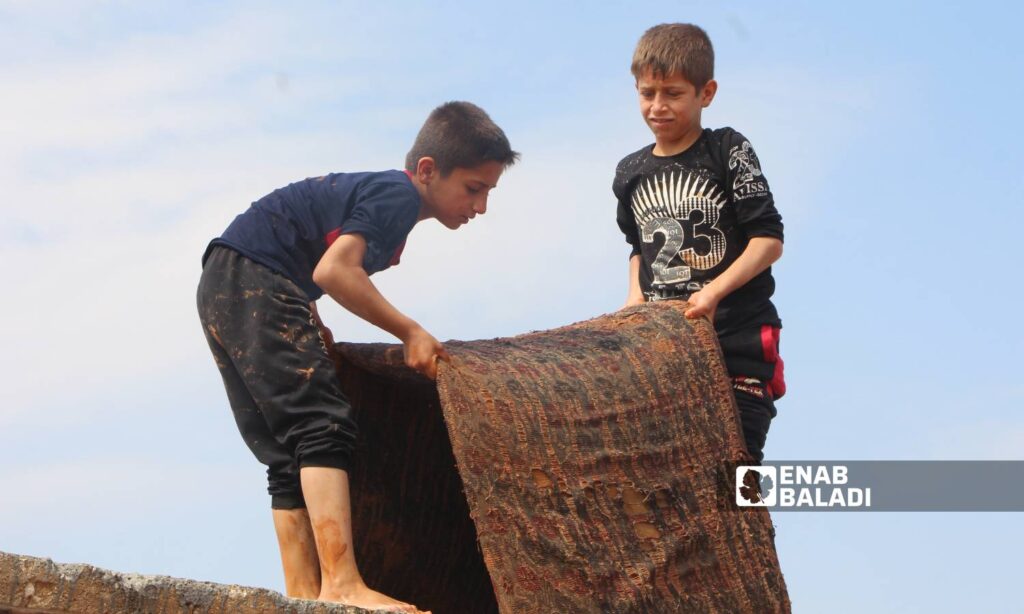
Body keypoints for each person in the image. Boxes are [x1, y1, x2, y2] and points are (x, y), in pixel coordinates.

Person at [197, 101, 518, 612]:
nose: (479, 207)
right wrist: (409, 330)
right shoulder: (396, 195)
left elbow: (310, 256)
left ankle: (305, 596)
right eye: (473, 189)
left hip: (227, 278)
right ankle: (342, 583)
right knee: (322, 425)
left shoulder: (384, 197)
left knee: (288, 450)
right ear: (428, 171)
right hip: (256, 276)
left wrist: (307, 316)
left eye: (488, 193)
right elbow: (335, 270)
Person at [614, 24, 786, 463]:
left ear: (705, 93)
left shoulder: (728, 150)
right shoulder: (630, 172)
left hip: (737, 340)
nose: (658, 106)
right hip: (664, 345)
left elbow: (767, 241)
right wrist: (635, 300)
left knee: (736, 468)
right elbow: (638, 247)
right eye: (647, 93)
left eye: (672, 93)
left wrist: (710, 295)